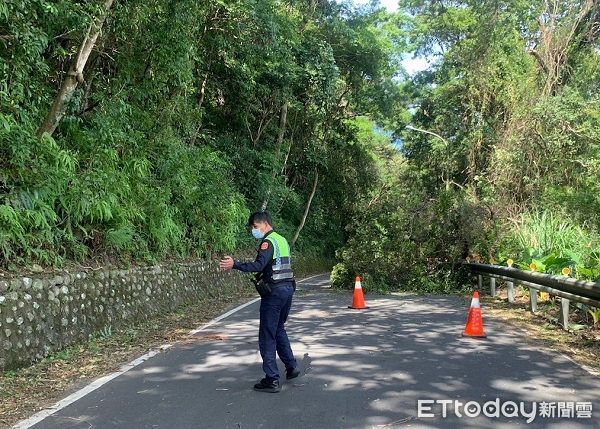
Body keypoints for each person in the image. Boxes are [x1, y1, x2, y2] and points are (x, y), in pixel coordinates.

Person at [219, 211, 300, 393]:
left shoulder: (268, 242)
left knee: (267, 335)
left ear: (263, 224)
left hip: (275, 293)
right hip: (288, 289)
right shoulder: (282, 240)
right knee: (279, 328)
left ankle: (272, 379)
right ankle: (291, 366)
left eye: (255, 227)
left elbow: (258, 265)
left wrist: (235, 264)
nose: (254, 231)